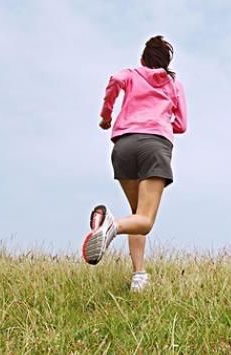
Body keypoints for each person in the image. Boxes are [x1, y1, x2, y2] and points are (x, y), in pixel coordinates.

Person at [82, 35, 187, 291]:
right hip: (154, 146)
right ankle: (111, 226)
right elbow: (182, 125)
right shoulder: (173, 84)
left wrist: (106, 116)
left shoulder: (130, 74)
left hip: (124, 146)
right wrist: (161, 121)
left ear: (142, 59)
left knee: (137, 215)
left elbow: (113, 81)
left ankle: (139, 276)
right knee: (146, 220)